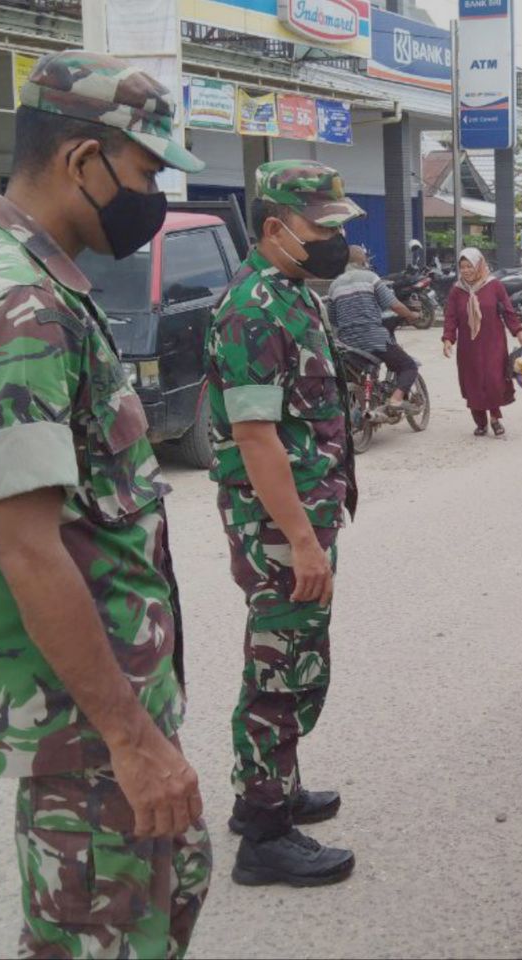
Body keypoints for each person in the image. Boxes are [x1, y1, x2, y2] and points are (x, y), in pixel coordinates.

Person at [0, 50, 210, 957]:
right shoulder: (17, 300)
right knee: (104, 935)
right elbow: (24, 546)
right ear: (80, 161)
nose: (154, 194)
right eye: (145, 171)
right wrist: (130, 739)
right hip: (88, 729)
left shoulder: (35, 277)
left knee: (164, 898)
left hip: (103, 708)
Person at [205, 160, 362, 887]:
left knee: (295, 656)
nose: (336, 240)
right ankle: (265, 833)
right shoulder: (252, 310)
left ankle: (273, 785)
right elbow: (257, 439)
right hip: (277, 524)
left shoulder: (292, 292)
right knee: (279, 668)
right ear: (274, 228)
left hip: (301, 515)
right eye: (321, 227)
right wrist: (301, 541)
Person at [442, 248, 522, 437]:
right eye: (462, 267)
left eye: (469, 266)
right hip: (469, 346)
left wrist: (519, 331)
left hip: (493, 342)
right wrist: (448, 338)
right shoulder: (457, 290)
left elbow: (507, 311)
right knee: (472, 382)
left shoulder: (494, 285)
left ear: (479, 265)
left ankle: (495, 418)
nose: (465, 270)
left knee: (493, 380)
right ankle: (480, 422)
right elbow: (451, 316)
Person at [329, 245, 421, 414]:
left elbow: (333, 319)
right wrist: (411, 315)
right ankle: (396, 399)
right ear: (363, 260)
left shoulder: (334, 285)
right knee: (409, 366)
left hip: (347, 343)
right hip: (373, 338)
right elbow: (394, 304)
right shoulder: (370, 278)